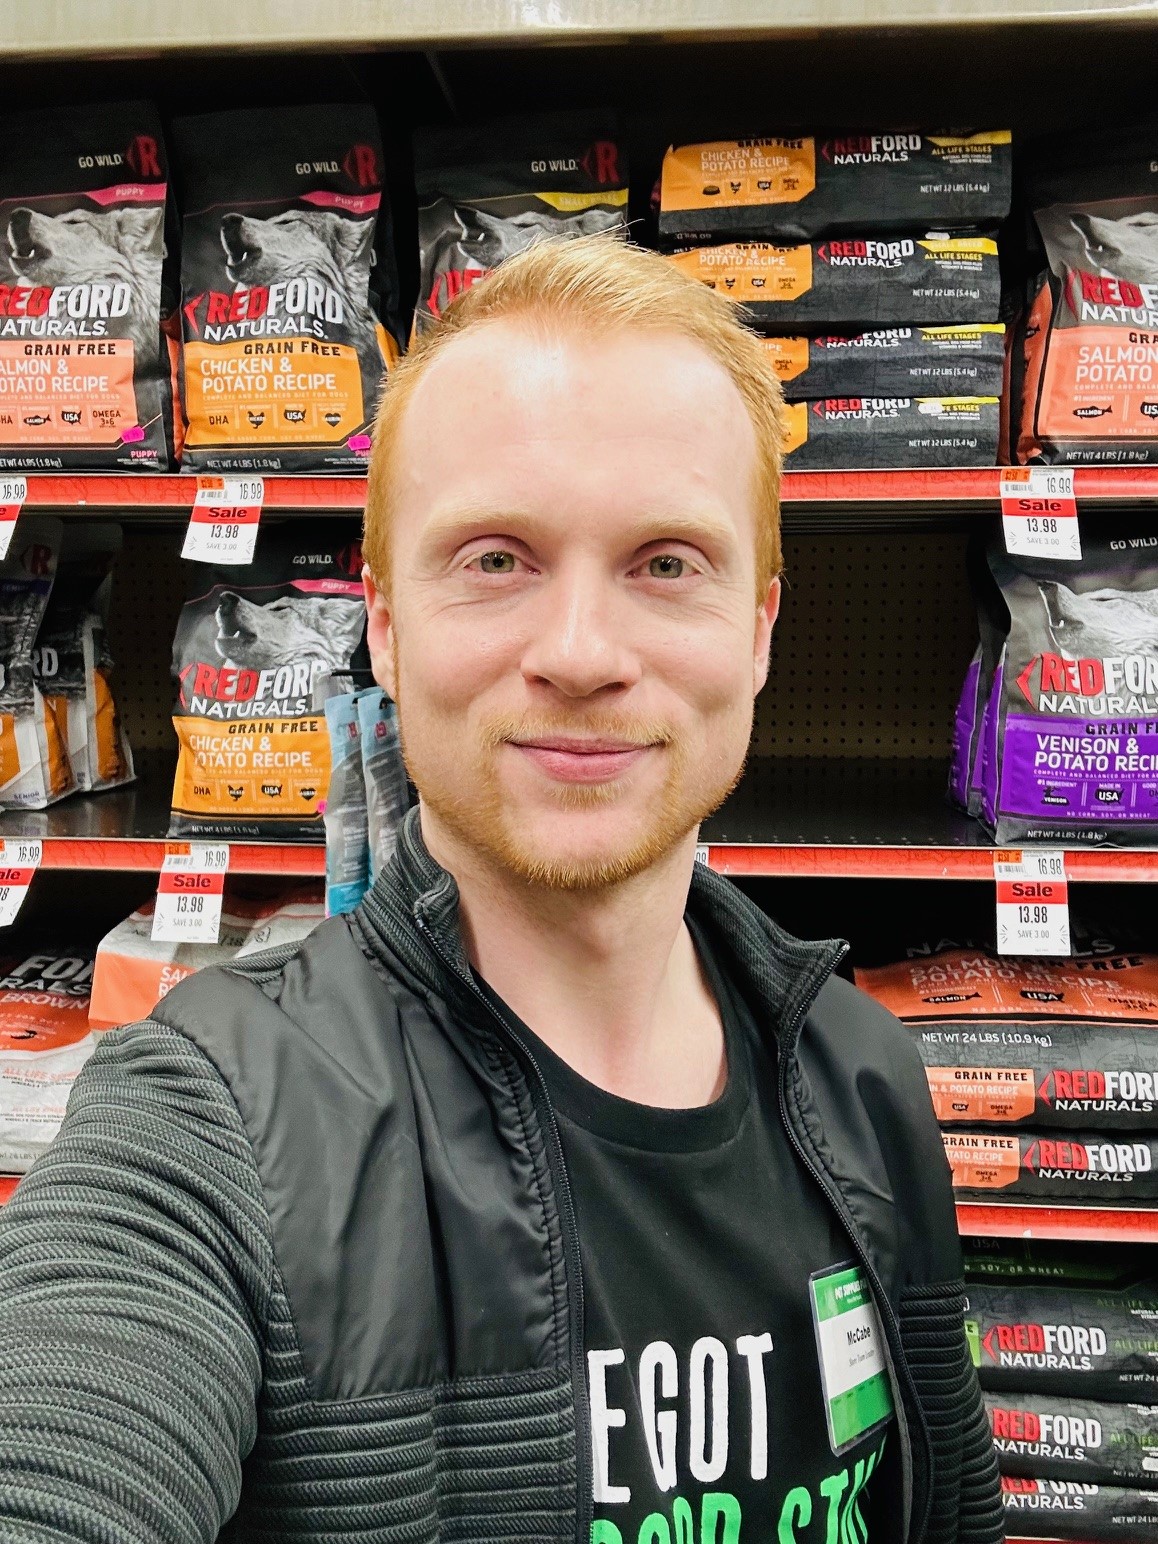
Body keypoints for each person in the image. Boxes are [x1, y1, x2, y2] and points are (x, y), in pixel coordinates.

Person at [0, 235, 1002, 1544]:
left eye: (665, 563)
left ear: (758, 630)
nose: (579, 654)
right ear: (386, 625)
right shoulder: (214, 1120)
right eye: (494, 559)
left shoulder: (863, 1078)